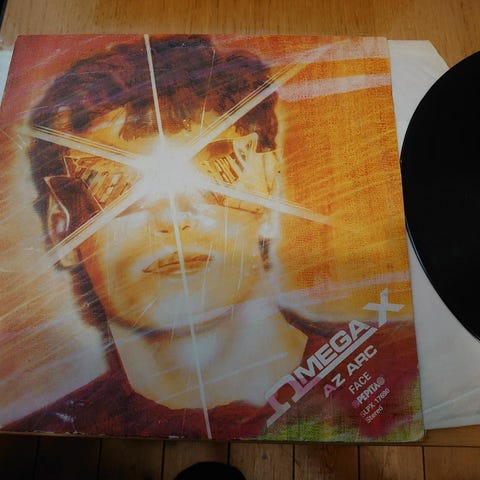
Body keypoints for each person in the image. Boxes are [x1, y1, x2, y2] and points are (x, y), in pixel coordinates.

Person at [4, 35, 421, 442]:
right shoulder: (39, 445)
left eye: (217, 169)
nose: (173, 218)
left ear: (266, 187)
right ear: (63, 227)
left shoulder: (404, 370)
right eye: (114, 184)